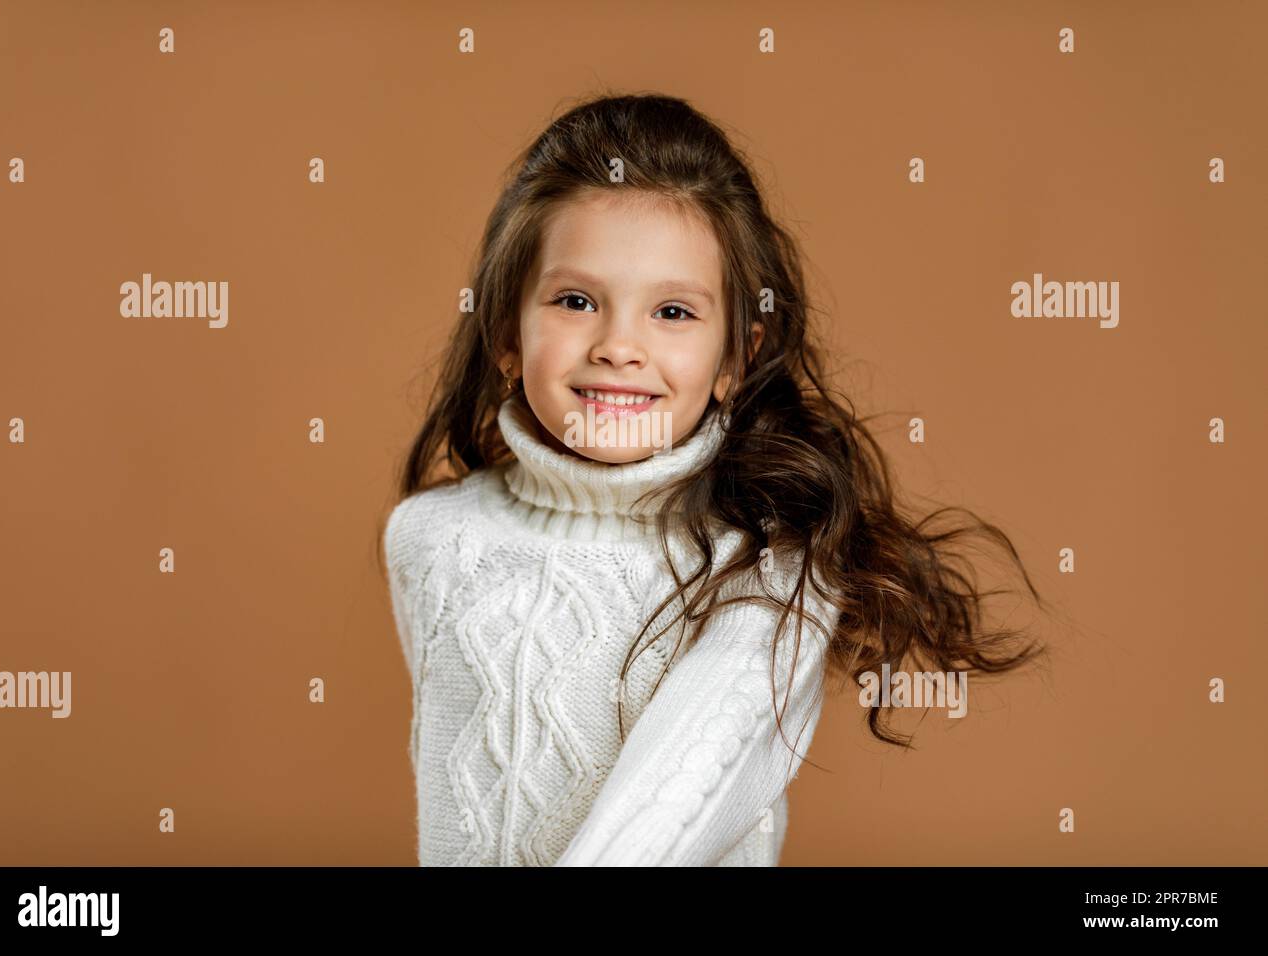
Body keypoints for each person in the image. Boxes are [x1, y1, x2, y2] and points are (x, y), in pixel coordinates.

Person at [381, 92, 1046, 866]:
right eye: (575, 301)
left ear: (736, 357)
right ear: (506, 336)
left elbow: (670, 811)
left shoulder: (767, 569)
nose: (618, 346)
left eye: (672, 312)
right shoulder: (431, 539)